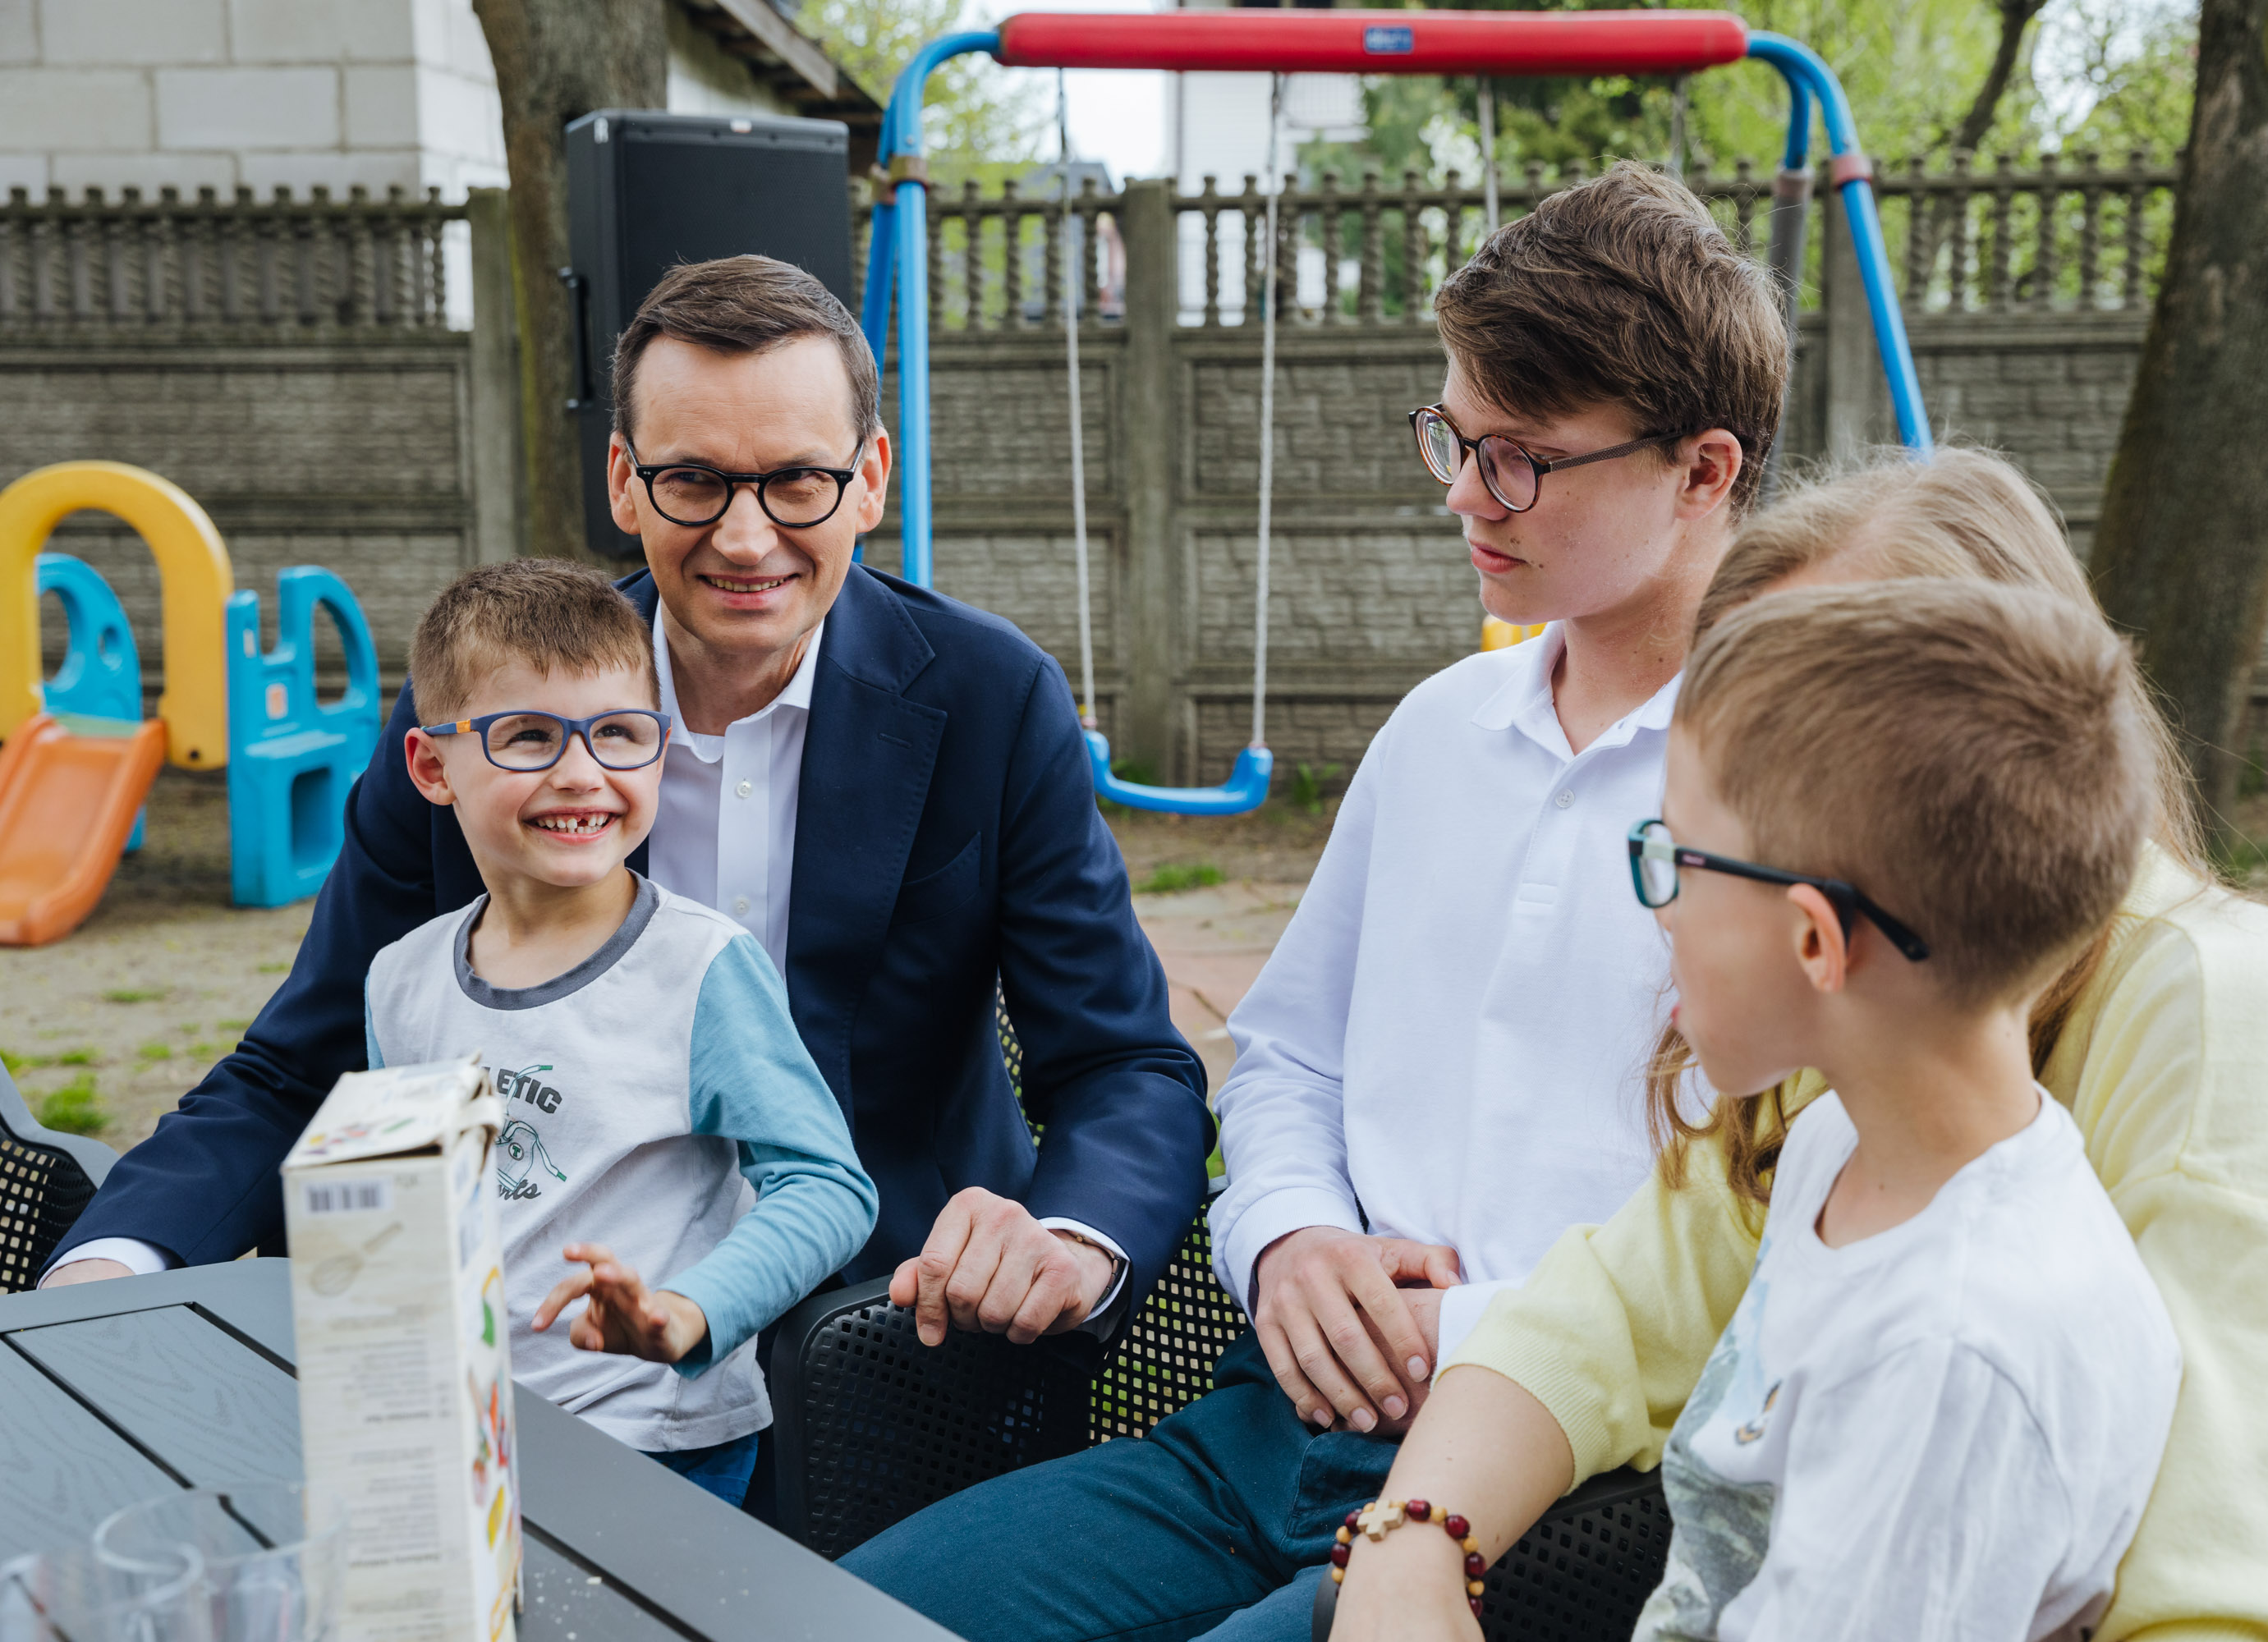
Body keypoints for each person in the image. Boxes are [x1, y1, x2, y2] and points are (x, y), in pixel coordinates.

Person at [842, 159, 1789, 1641]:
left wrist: (1449, 1328)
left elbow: (1787, 1211)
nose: (1464, 495)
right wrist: (1289, 1242)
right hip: (1267, 1428)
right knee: (826, 1614)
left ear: (1705, 471)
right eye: (1453, 437)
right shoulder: (1437, 735)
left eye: (1521, 459)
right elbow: (1288, 1057)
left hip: (1559, 1490)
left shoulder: (1793, 797)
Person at [1328, 450, 2268, 1640]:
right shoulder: (1880, 1049)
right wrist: (1413, 1546)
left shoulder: (2234, 1060)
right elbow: (1617, 1308)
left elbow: (2222, 1612)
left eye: (1802, 731)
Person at [47, 256, 1210, 1386]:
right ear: (622, 479)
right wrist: (112, 1267)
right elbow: (308, 1063)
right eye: (693, 479)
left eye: (797, 481)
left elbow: (1123, 1063)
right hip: (564, 1353)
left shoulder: (993, 698)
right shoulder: (483, 721)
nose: (745, 538)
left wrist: (1069, 1241)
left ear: (870, 479)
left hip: (901, 1332)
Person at [1344, 577, 2184, 1638]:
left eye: (1675, 861)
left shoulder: (1949, 1357)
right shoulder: (1838, 1145)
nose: (1657, 912)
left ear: (1815, 942)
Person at [367, 559, 877, 1506]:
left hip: (651, 1437)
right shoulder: (398, 980)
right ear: (433, 766)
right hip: (465, 1434)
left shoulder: (701, 966)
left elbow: (828, 1187)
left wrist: (688, 1309)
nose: (581, 773)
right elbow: (405, 1209)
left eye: (618, 733)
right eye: (528, 735)